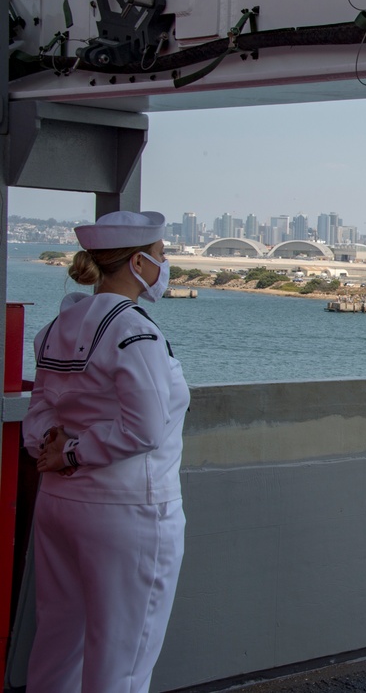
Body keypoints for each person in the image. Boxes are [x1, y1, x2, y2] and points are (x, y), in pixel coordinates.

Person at [21, 210, 189, 693]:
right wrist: (73, 452)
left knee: (58, 650)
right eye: (160, 256)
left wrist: (53, 444)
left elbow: (41, 411)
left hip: (61, 506)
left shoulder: (59, 326)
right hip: (128, 512)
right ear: (137, 263)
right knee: (123, 661)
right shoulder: (136, 332)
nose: (164, 264)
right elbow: (147, 428)